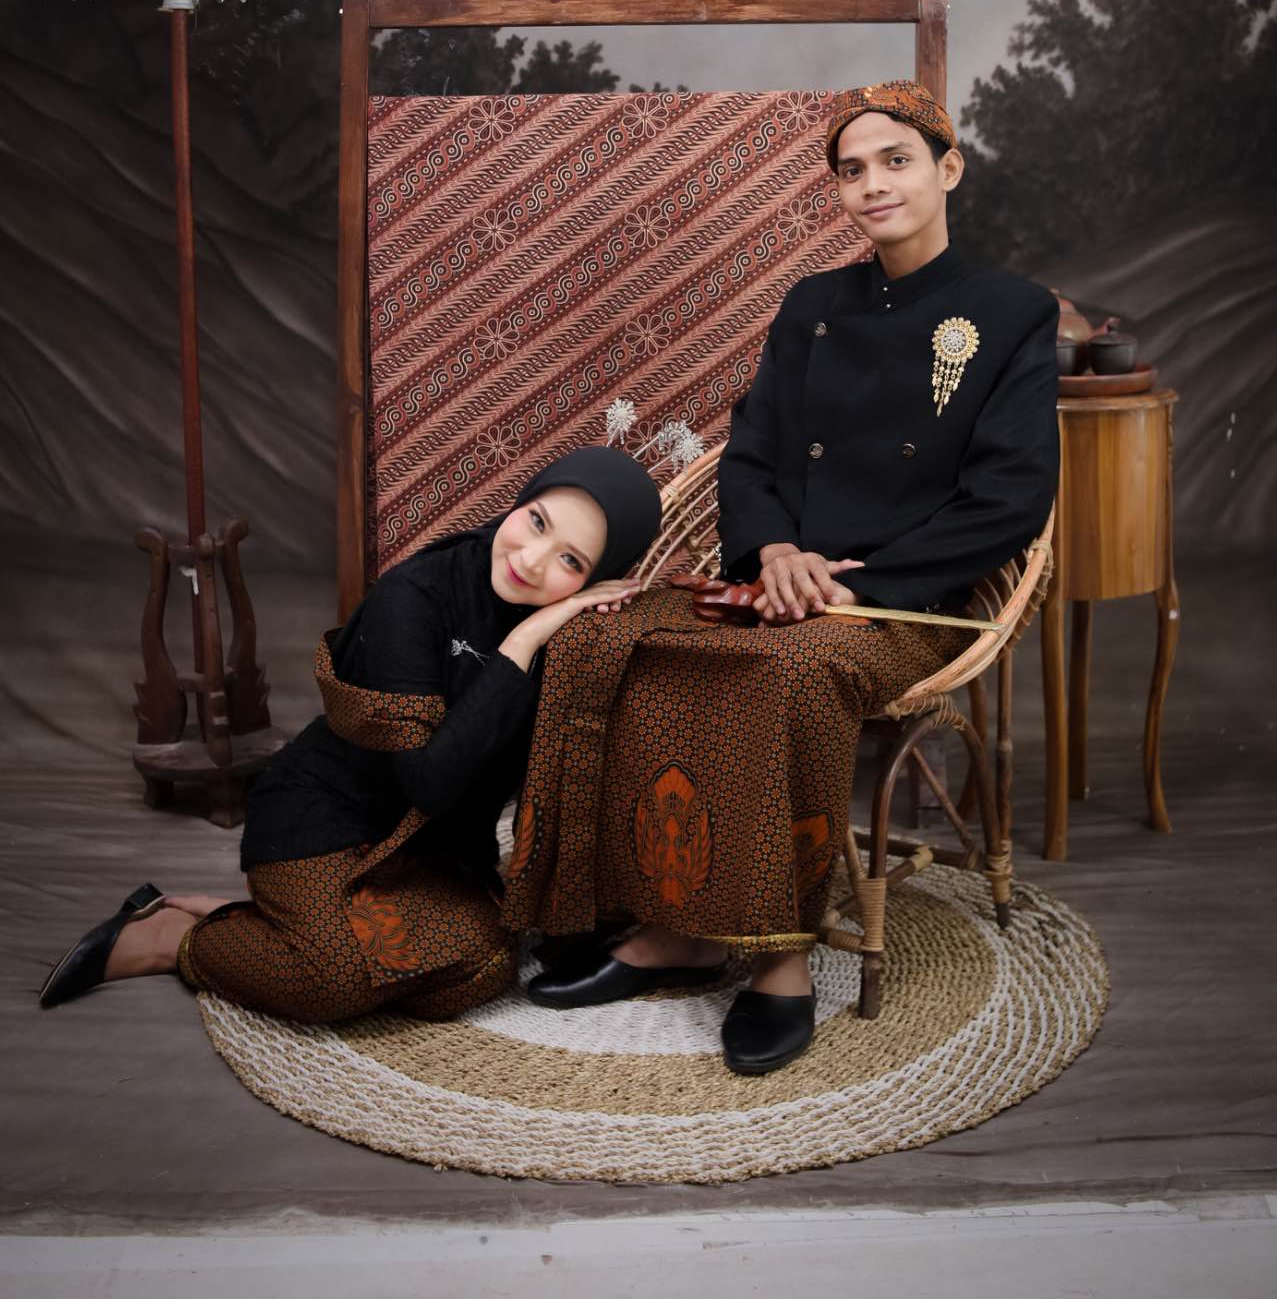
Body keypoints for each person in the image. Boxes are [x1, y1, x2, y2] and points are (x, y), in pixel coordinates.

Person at [511, 80, 1059, 1075]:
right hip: (776, 578)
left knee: (781, 675)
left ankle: (777, 962)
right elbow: (752, 455)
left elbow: (1011, 497)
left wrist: (855, 584)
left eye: (894, 161)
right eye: (850, 170)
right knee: (602, 640)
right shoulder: (812, 305)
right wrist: (772, 552)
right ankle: (652, 924)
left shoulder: (1010, 313)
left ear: (948, 169)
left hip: (903, 600)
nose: (871, 184)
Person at [40, 448, 662, 1022]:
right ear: (521, 500)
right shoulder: (416, 594)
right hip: (328, 820)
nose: (531, 560)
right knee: (330, 977)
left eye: (571, 561)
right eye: (537, 522)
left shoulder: (573, 636)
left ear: (599, 577)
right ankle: (174, 938)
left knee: (484, 969)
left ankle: (264, 923)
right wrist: (523, 641)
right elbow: (429, 784)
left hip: (435, 853)